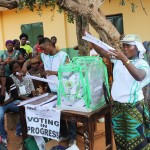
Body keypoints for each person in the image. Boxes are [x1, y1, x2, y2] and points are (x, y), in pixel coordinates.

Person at [89, 34, 150, 149]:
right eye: (123, 46)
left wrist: (124, 59)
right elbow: (102, 52)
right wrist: (90, 39)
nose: (125, 48)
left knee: (136, 140)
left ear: (137, 48)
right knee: (120, 138)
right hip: (117, 107)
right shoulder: (117, 60)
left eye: (128, 46)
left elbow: (139, 76)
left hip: (132, 107)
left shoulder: (141, 64)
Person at [21, 37, 77, 147]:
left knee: (69, 115)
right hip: (52, 90)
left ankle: (72, 137)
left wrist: (52, 72)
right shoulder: (43, 56)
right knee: (56, 113)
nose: (42, 51)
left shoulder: (63, 56)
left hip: (65, 90)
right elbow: (29, 61)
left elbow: (70, 71)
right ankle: (64, 134)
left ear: (48, 46)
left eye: (43, 49)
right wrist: (24, 67)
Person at [0, 76, 22, 146]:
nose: (2, 70)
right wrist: (3, 84)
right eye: (0, 68)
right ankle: (3, 136)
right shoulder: (3, 81)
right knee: (0, 116)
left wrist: (6, 103)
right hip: (0, 106)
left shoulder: (9, 79)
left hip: (10, 102)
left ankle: (19, 130)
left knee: (22, 106)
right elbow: (0, 101)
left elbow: (15, 95)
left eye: (3, 68)